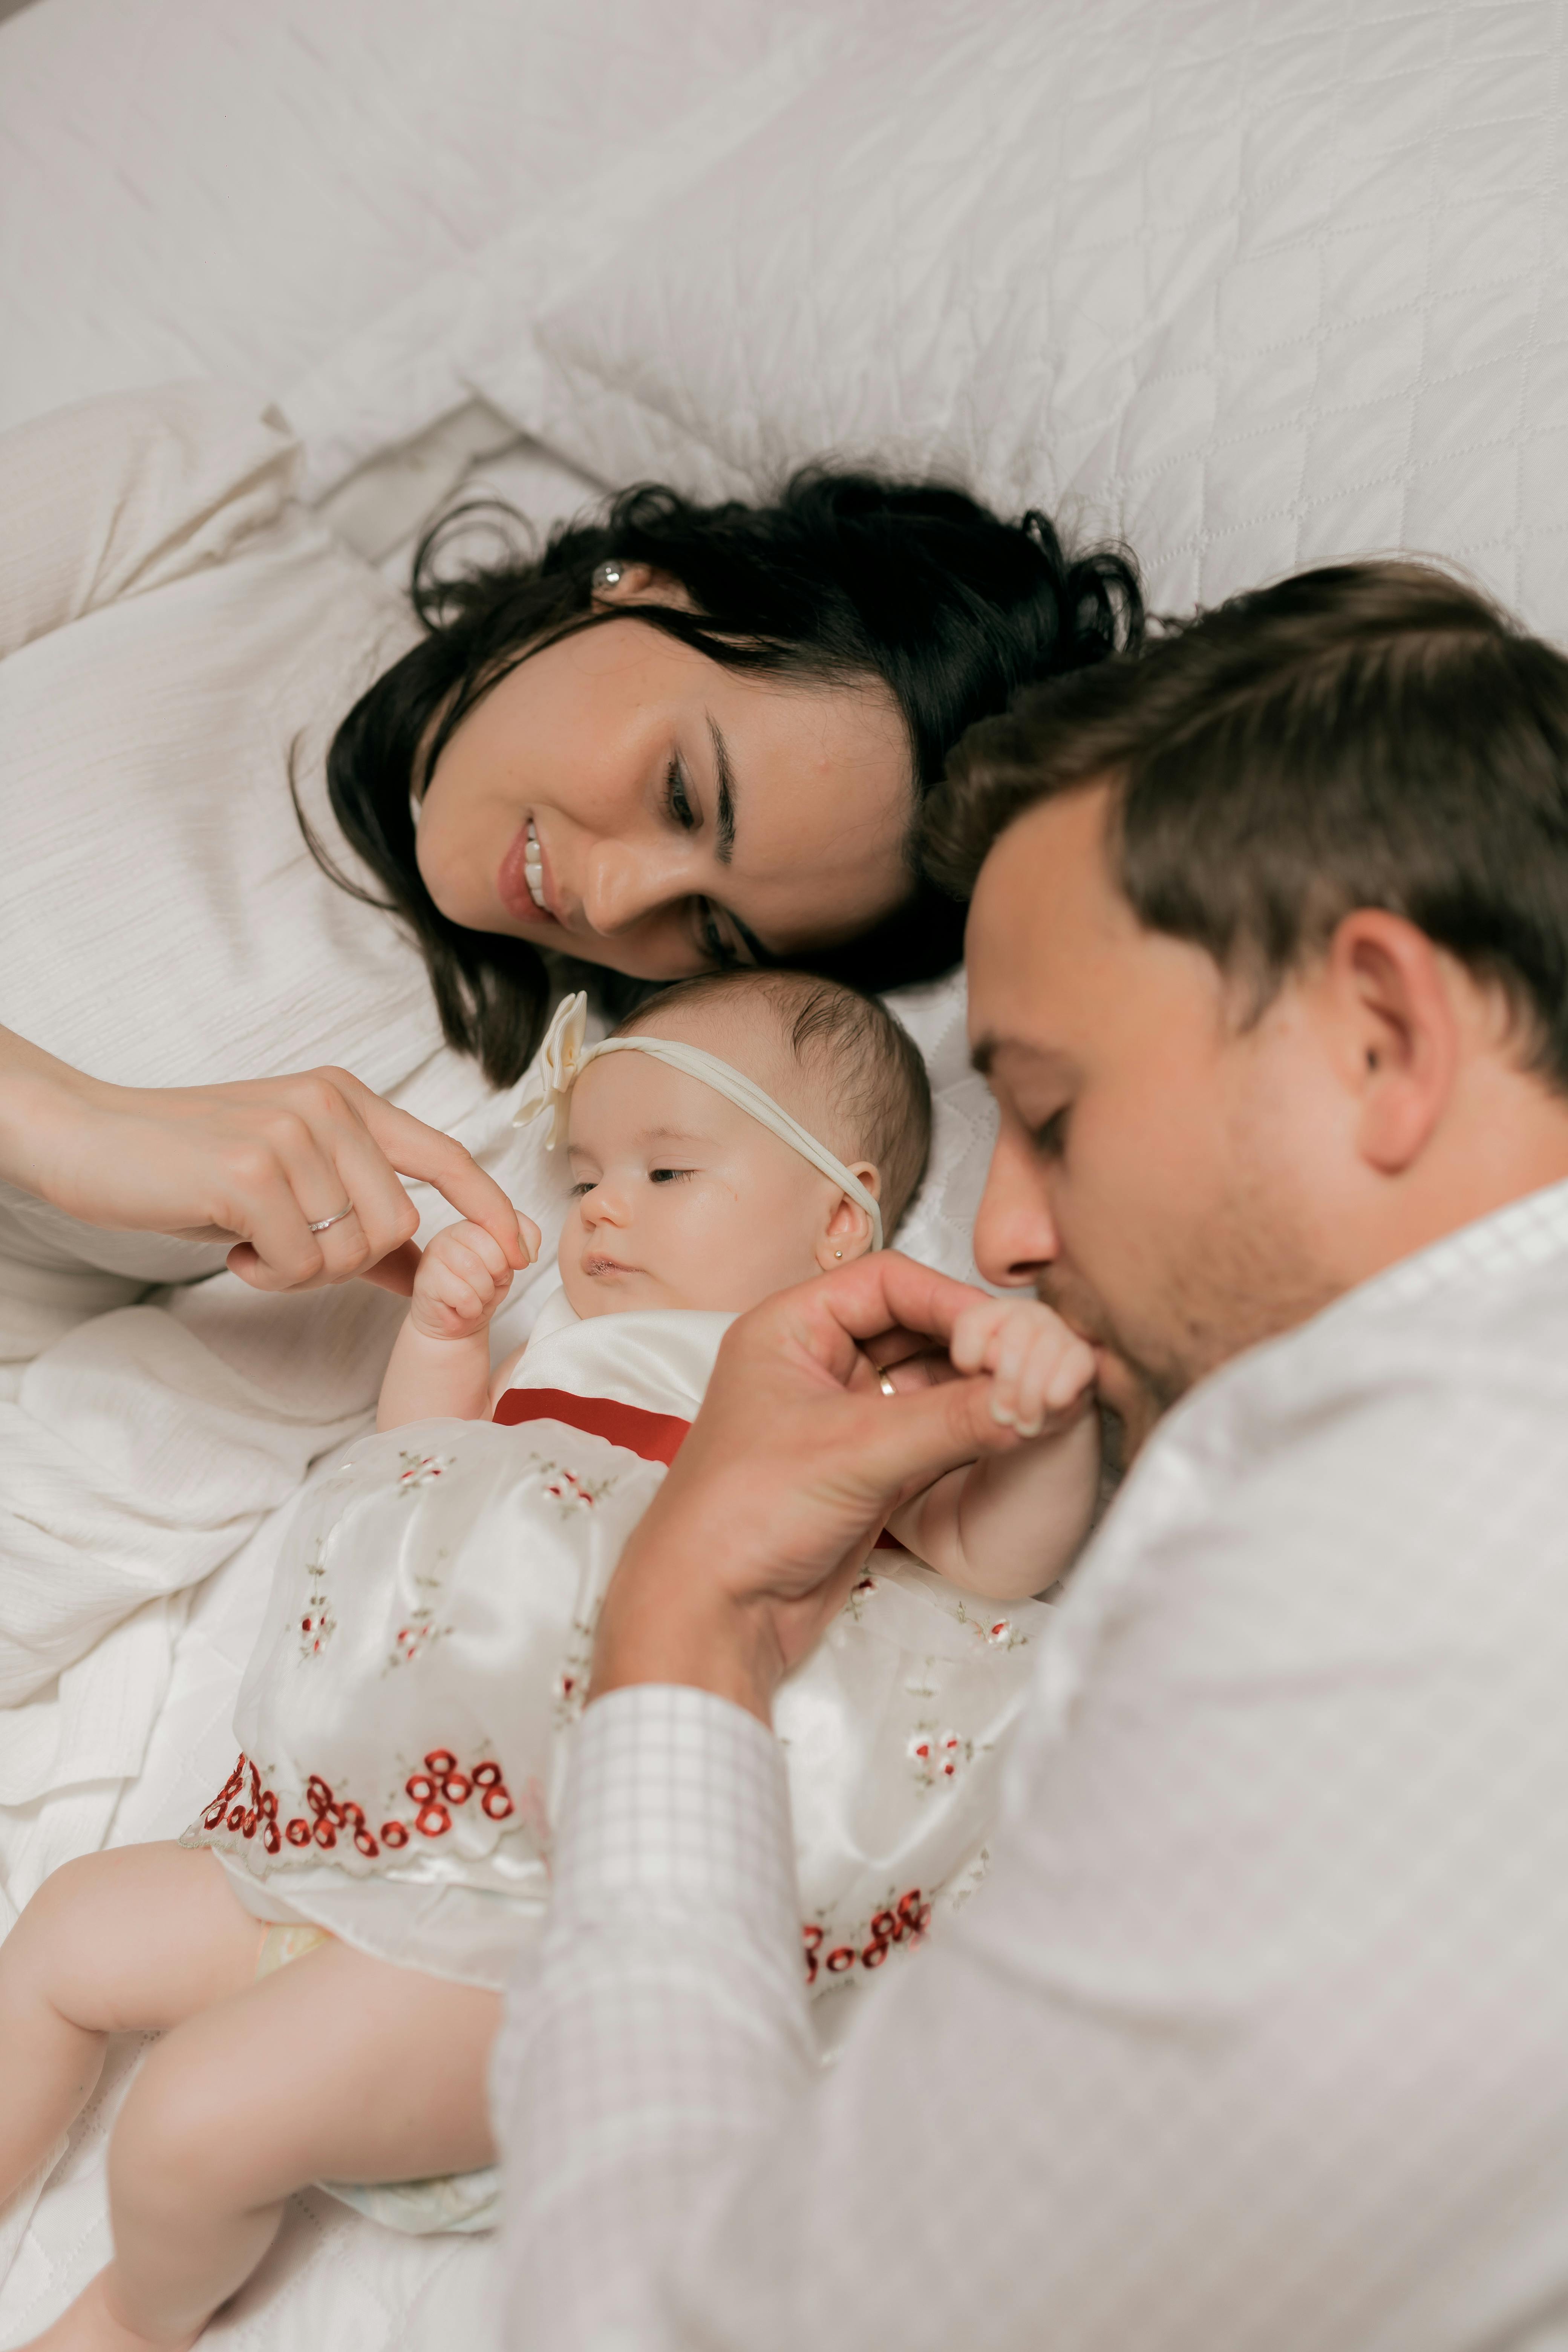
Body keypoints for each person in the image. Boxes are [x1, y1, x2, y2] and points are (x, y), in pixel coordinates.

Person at [492, 560, 1568, 2350]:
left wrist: (680, 1622)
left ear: (1381, 1035)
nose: (998, 1231)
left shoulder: (1405, 1587)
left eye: (1050, 1116)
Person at [0, 381, 1138, 1744]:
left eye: (708, 928)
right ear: (639, 586)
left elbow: (107, 1480)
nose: (612, 897)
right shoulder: (192, 514)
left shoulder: (485, 1153)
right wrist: (61, 1119)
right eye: (682, 794)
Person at [0, 971, 1099, 2351]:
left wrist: (1033, 1409)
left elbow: (992, 1558)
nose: (603, 1209)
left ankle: (130, 2316)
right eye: (584, 1178)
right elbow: (424, 1475)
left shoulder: (849, 1392)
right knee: (61, 1935)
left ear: (838, 1218)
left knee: (193, 2121)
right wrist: (446, 1344)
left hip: (551, 1916)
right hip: (353, 1841)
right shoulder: (569, 1352)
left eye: (666, 1168)